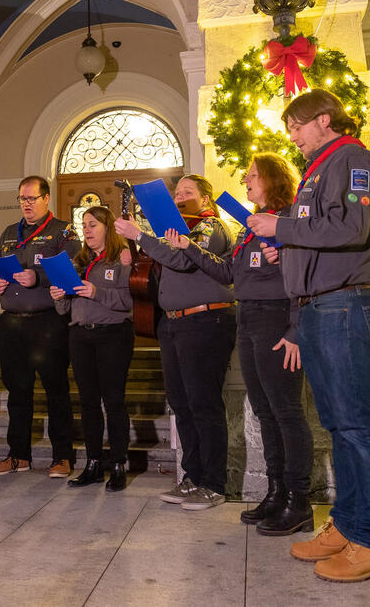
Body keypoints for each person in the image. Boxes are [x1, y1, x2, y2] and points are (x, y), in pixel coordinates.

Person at [250, 89, 370, 582]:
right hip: (320, 306)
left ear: (324, 119)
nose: (290, 135)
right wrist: (286, 248)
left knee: (358, 426)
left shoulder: (353, 160)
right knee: (339, 426)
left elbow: (352, 226)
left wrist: (282, 226)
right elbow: (318, 232)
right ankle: (349, 525)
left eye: (295, 125)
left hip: (345, 304)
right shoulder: (319, 170)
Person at [166, 154, 313, 533]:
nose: (246, 182)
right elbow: (228, 272)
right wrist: (188, 246)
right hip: (248, 319)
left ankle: (299, 501)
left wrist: (295, 329)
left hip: (276, 318)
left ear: (272, 180)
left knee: (286, 412)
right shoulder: (251, 228)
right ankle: (276, 493)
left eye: (252, 176)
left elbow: (305, 278)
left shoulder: (290, 221)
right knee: (264, 411)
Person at [115, 175, 236, 510]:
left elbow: (183, 260)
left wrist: (140, 236)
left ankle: (213, 483)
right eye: (176, 193)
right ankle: (192, 478)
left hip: (204, 321)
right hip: (174, 324)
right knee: (182, 405)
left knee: (204, 404)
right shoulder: (177, 233)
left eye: (188, 192)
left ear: (207, 200)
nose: (180, 197)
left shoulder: (209, 227)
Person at [0, 175, 80, 478]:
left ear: (46, 198)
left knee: (56, 391)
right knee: (18, 393)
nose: (26, 204)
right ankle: (18, 456)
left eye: (31, 198)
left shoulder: (62, 231)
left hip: (48, 322)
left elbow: (74, 266)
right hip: (12, 324)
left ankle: (61, 457)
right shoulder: (9, 233)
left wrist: (37, 277)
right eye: (22, 199)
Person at [50, 206, 134, 492]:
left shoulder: (121, 257)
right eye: (84, 224)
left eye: (93, 224)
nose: (86, 229)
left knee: (114, 402)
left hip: (113, 335)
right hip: (80, 336)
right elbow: (64, 309)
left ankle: (119, 464)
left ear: (108, 228)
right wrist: (58, 295)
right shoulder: (78, 261)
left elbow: (128, 302)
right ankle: (94, 463)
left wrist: (96, 291)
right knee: (88, 404)